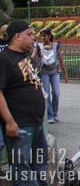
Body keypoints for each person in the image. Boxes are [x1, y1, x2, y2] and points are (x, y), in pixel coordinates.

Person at [0, 20, 47, 184]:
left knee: (40, 168)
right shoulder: (4, 59)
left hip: (36, 123)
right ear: (17, 36)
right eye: (30, 34)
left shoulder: (25, 57)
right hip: (20, 125)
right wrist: (9, 122)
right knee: (23, 171)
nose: (34, 37)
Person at [32, 29, 68, 124]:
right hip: (44, 73)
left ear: (49, 36)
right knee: (47, 95)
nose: (43, 38)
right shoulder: (38, 46)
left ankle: (55, 113)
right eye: (41, 36)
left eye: (44, 35)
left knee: (56, 93)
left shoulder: (56, 45)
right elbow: (32, 56)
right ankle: (50, 115)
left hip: (54, 72)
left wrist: (65, 75)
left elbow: (61, 60)